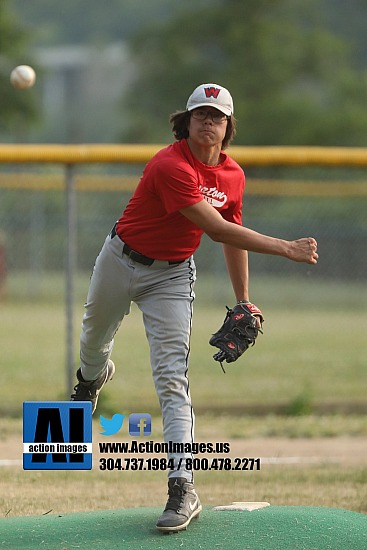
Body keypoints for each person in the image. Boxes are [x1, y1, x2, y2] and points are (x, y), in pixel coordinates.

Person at [71, 83, 318, 532]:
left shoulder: (233, 177)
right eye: (201, 114)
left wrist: (244, 299)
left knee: (171, 377)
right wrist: (286, 247)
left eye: (217, 116)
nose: (209, 121)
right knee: (93, 339)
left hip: (171, 276)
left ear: (228, 128)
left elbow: (232, 233)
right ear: (185, 122)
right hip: (120, 258)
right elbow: (216, 229)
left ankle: (182, 486)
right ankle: (91, 379)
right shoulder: (169, 164)